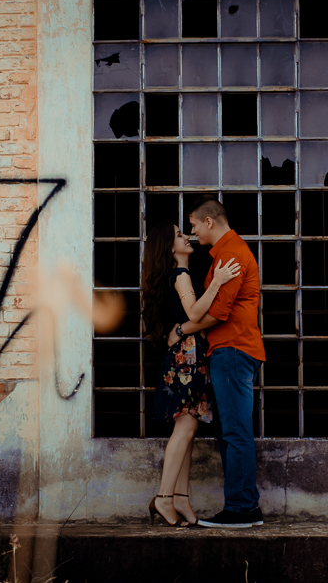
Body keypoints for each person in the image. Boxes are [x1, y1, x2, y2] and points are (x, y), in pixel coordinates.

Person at [168, 197, 266, 529]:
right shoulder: (226, 253)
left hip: (234, 350)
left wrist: (180, 329)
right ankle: (244, 507)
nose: (192, 232)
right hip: (231, 351)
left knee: (236, 432)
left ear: (209, 221)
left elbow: (216, 313)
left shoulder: (232, 253)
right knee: (230, 431)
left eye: (194, 225)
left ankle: (242, 510)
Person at [142, 219, 241, 527]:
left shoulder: (181, 274)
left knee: (189, 428)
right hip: (186, 358)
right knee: (185, 428)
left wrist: (182, 328)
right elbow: (196, 313)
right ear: (169, 247)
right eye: (179, 235)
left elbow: (187, 320)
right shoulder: (181, 274)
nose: (187, 238)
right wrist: (218, 281)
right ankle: (163, 498)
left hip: (190, 356)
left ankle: (181, 498)